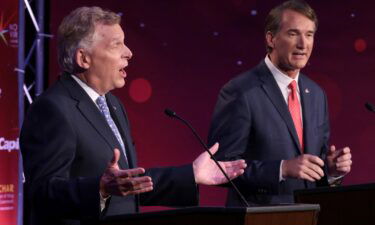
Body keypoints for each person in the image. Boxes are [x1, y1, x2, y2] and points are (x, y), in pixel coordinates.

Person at [20, 6, 247, 225]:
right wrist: (99, 188)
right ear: (84, 58)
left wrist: (191, 174)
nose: (128, 53)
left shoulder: (112, 104)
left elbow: (129, 185)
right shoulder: (52, 109)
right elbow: (41, 194)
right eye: (116, 45)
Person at [208, 0, 352, 206]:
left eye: (309, 34)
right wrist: (281, 169)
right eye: (293, 34)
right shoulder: (241, 91)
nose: (303, 44)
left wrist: (330, 172)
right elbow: (219, 167)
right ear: (271, 39)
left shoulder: (317, 95)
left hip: (308, 216)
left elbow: (312, 170)